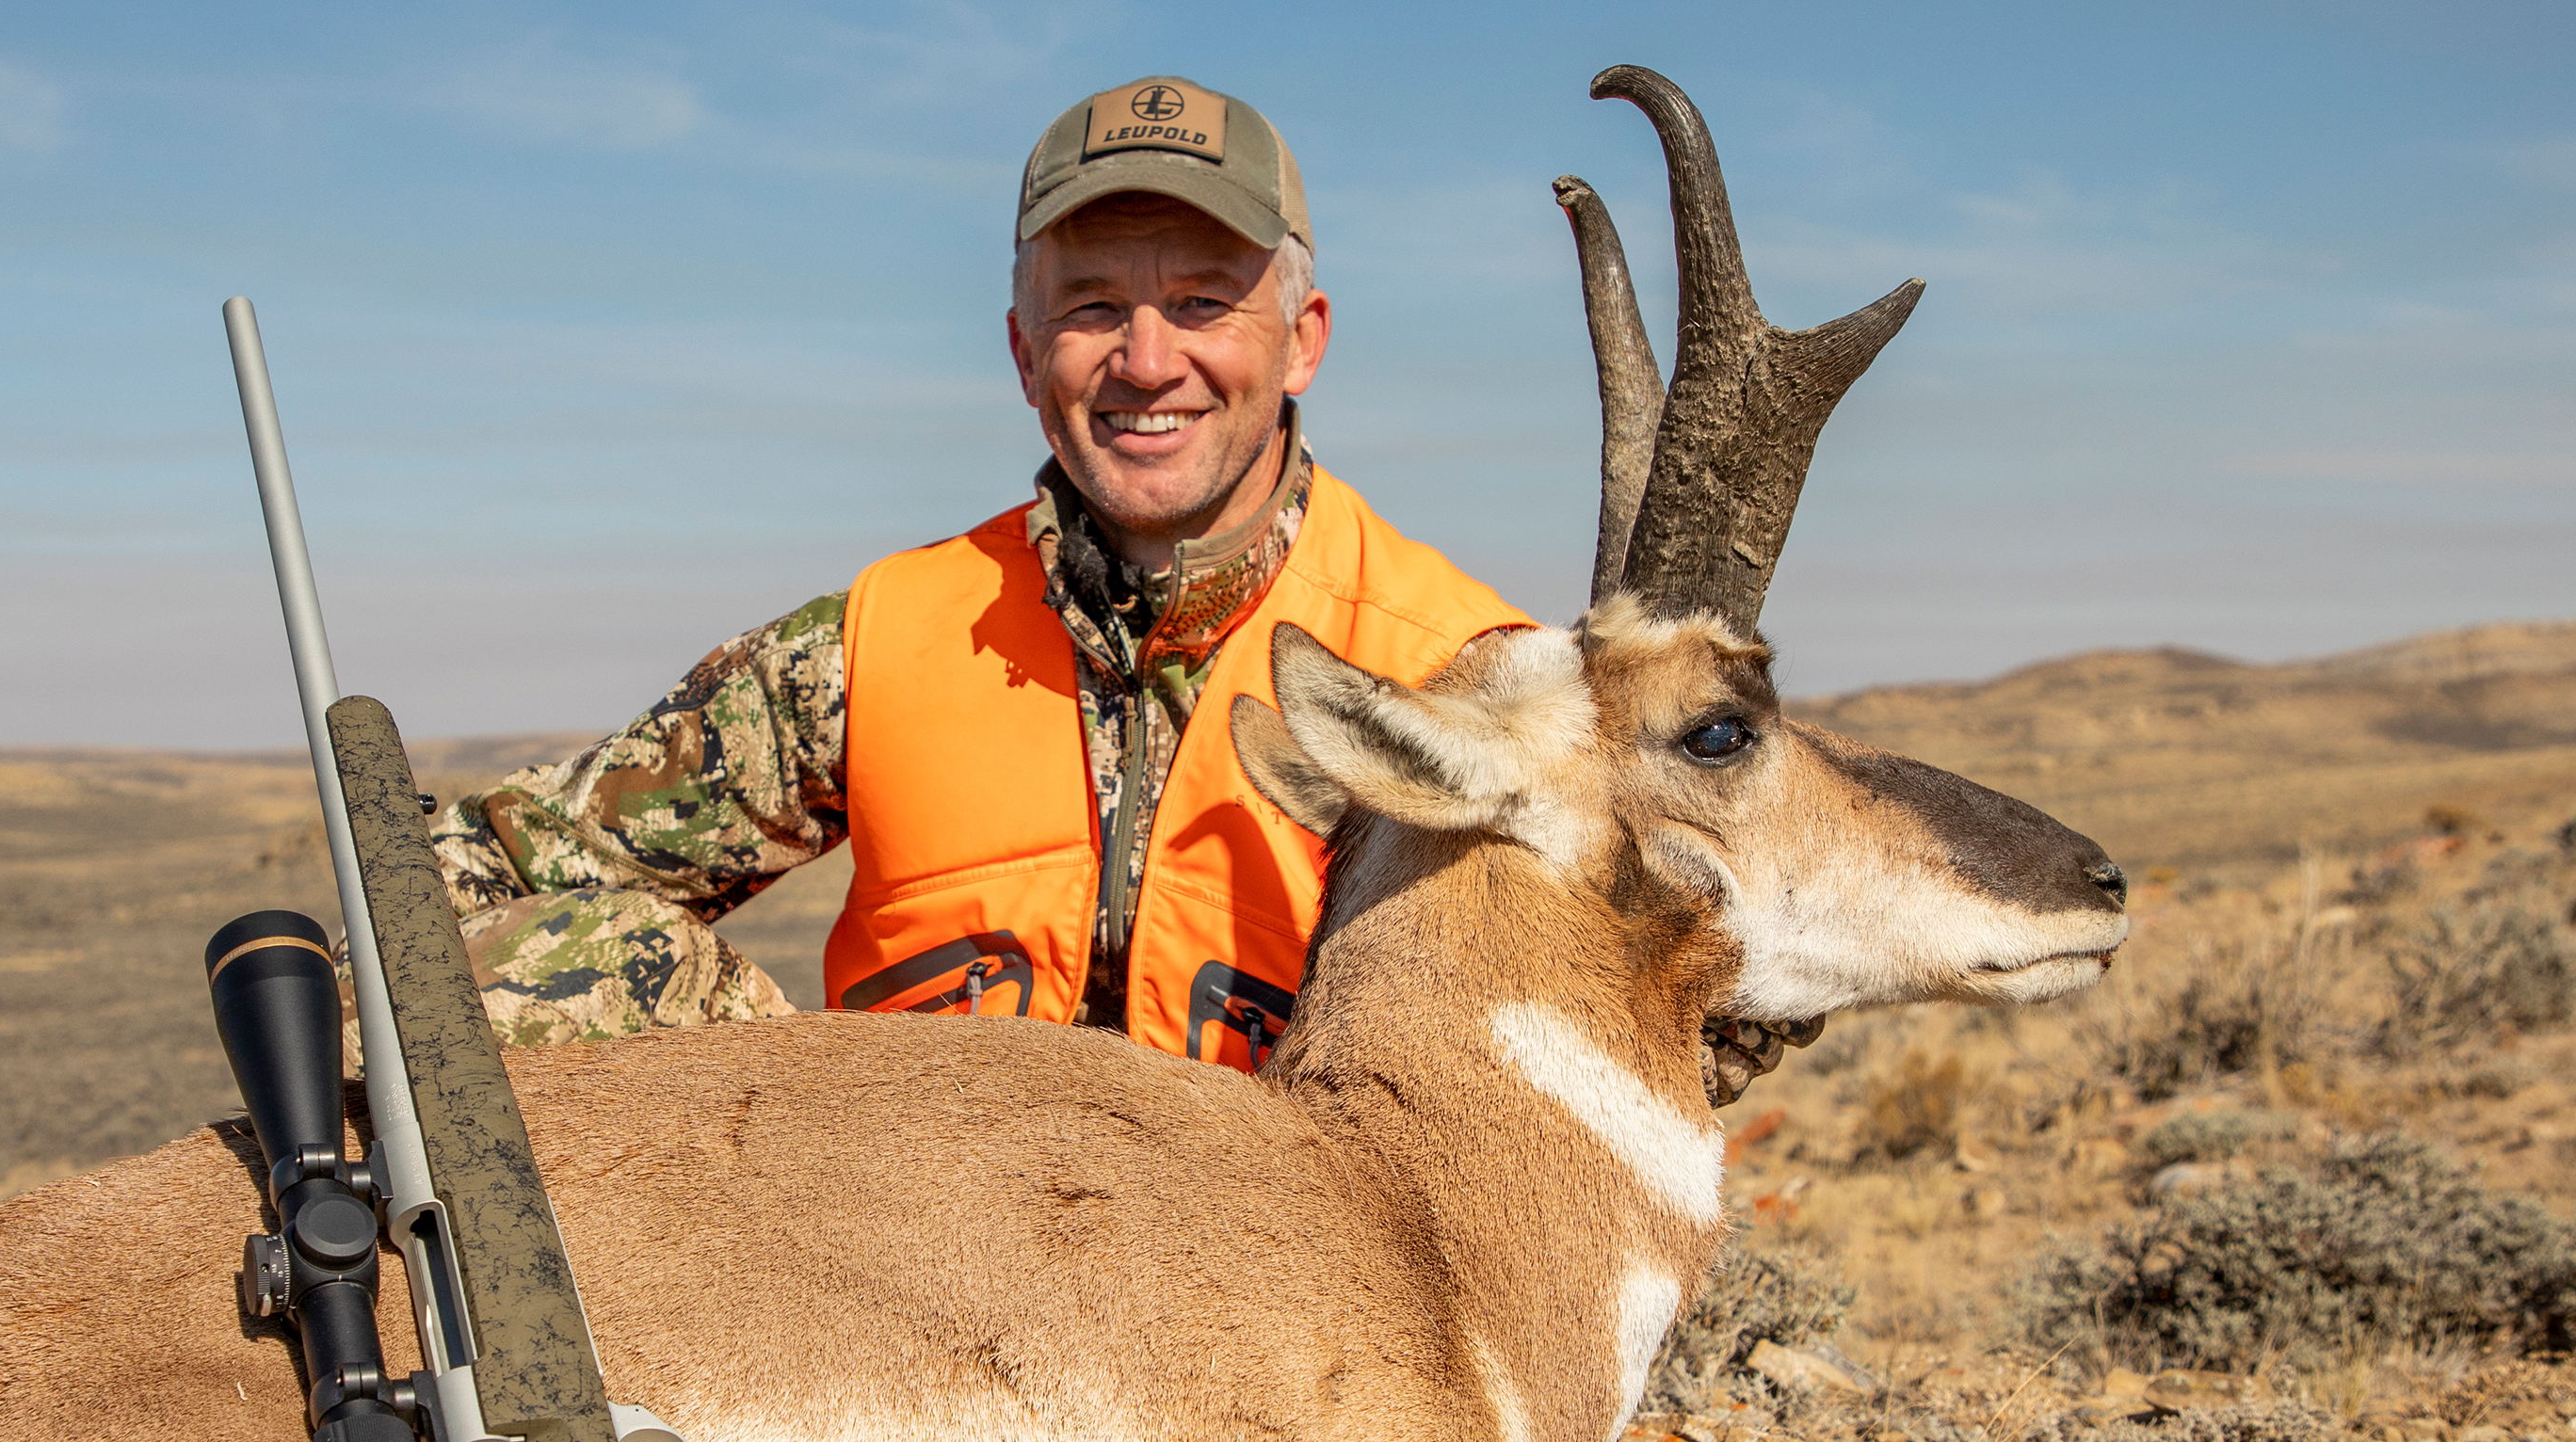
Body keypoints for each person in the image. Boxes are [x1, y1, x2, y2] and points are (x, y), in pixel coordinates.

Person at [424, 74, 1811, 1094]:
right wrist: (769, 1089)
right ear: (1025, 355)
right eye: (1093, 306)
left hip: (1284, 1331)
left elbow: (1689, 985)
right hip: (891, 1282)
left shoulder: (1461, 676)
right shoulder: (878, 642)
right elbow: (478, 879)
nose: (1147, 360)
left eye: (1205, 299)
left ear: (1303, 338)